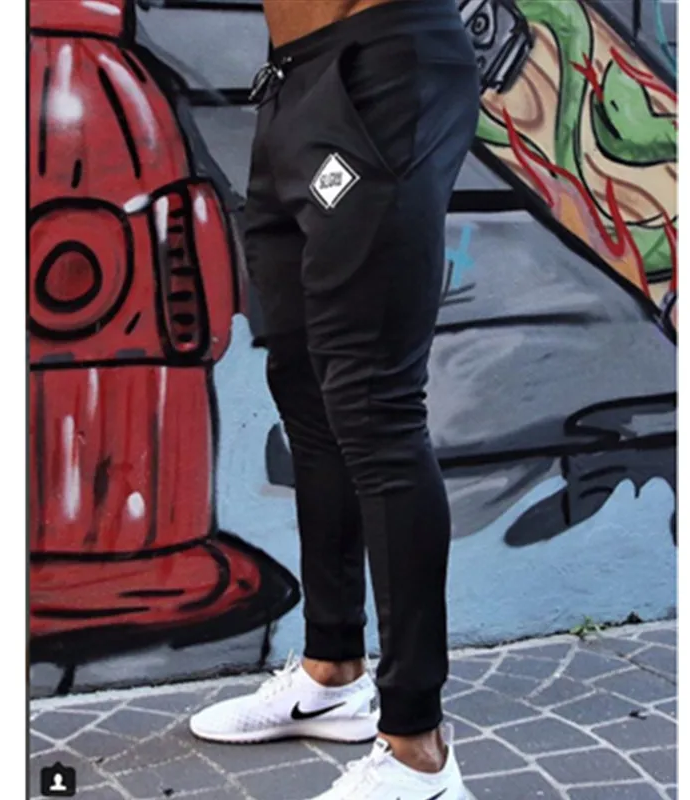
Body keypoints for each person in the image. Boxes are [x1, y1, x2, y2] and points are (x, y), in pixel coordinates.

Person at [191, 1, 479, 797]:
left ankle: (419, 750)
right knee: (306, 387)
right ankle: (331, 672)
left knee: (374, 403)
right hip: (294, 77)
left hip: (380, 64)